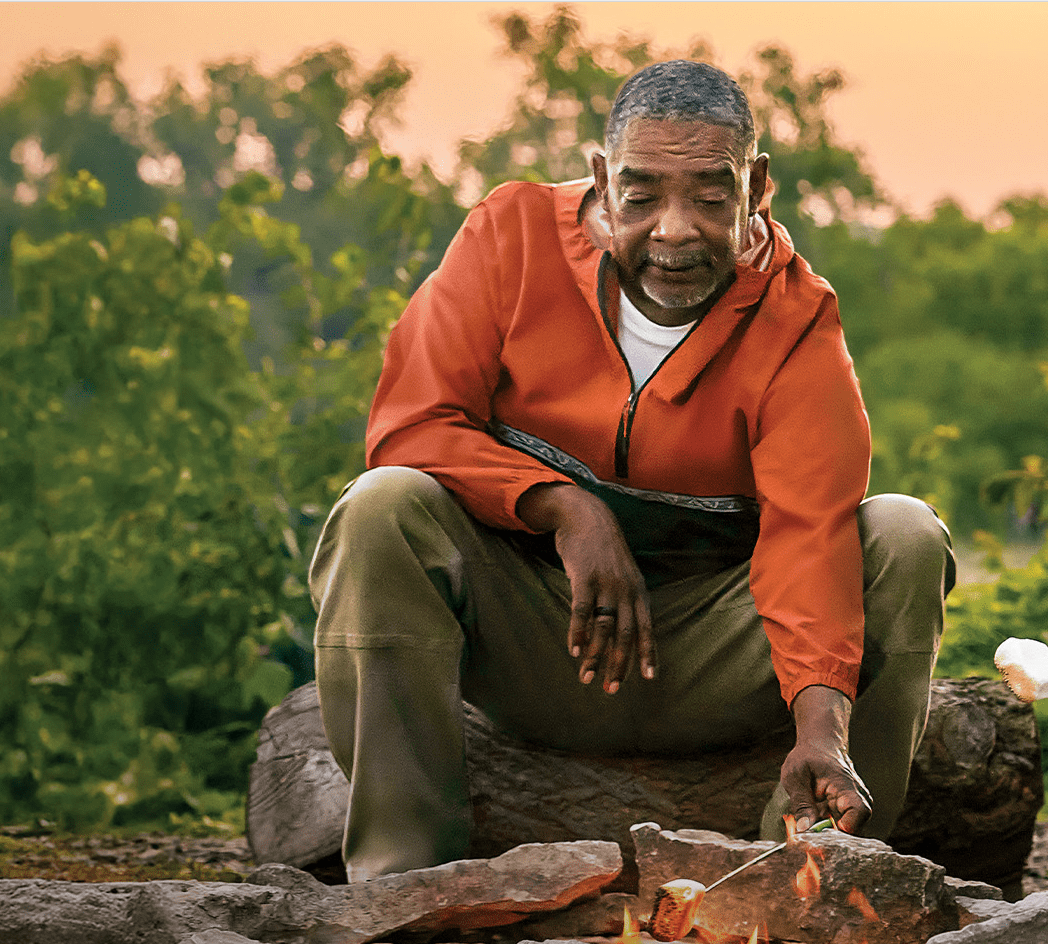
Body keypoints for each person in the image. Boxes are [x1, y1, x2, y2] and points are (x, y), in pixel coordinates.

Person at [307, 60, 953, 881]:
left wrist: (822, 728)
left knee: (903, 531)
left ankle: (803, 880)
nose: (674, 231)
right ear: (603, 177)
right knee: (380, 507)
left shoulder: (797, 319)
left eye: (709, 197)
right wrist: (565, 509)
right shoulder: (509, 237)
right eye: (642, 195)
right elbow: (412, 425)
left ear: (756, 187)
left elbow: (809, 538)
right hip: (538, 648)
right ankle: (404, 886)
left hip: (715, 668)